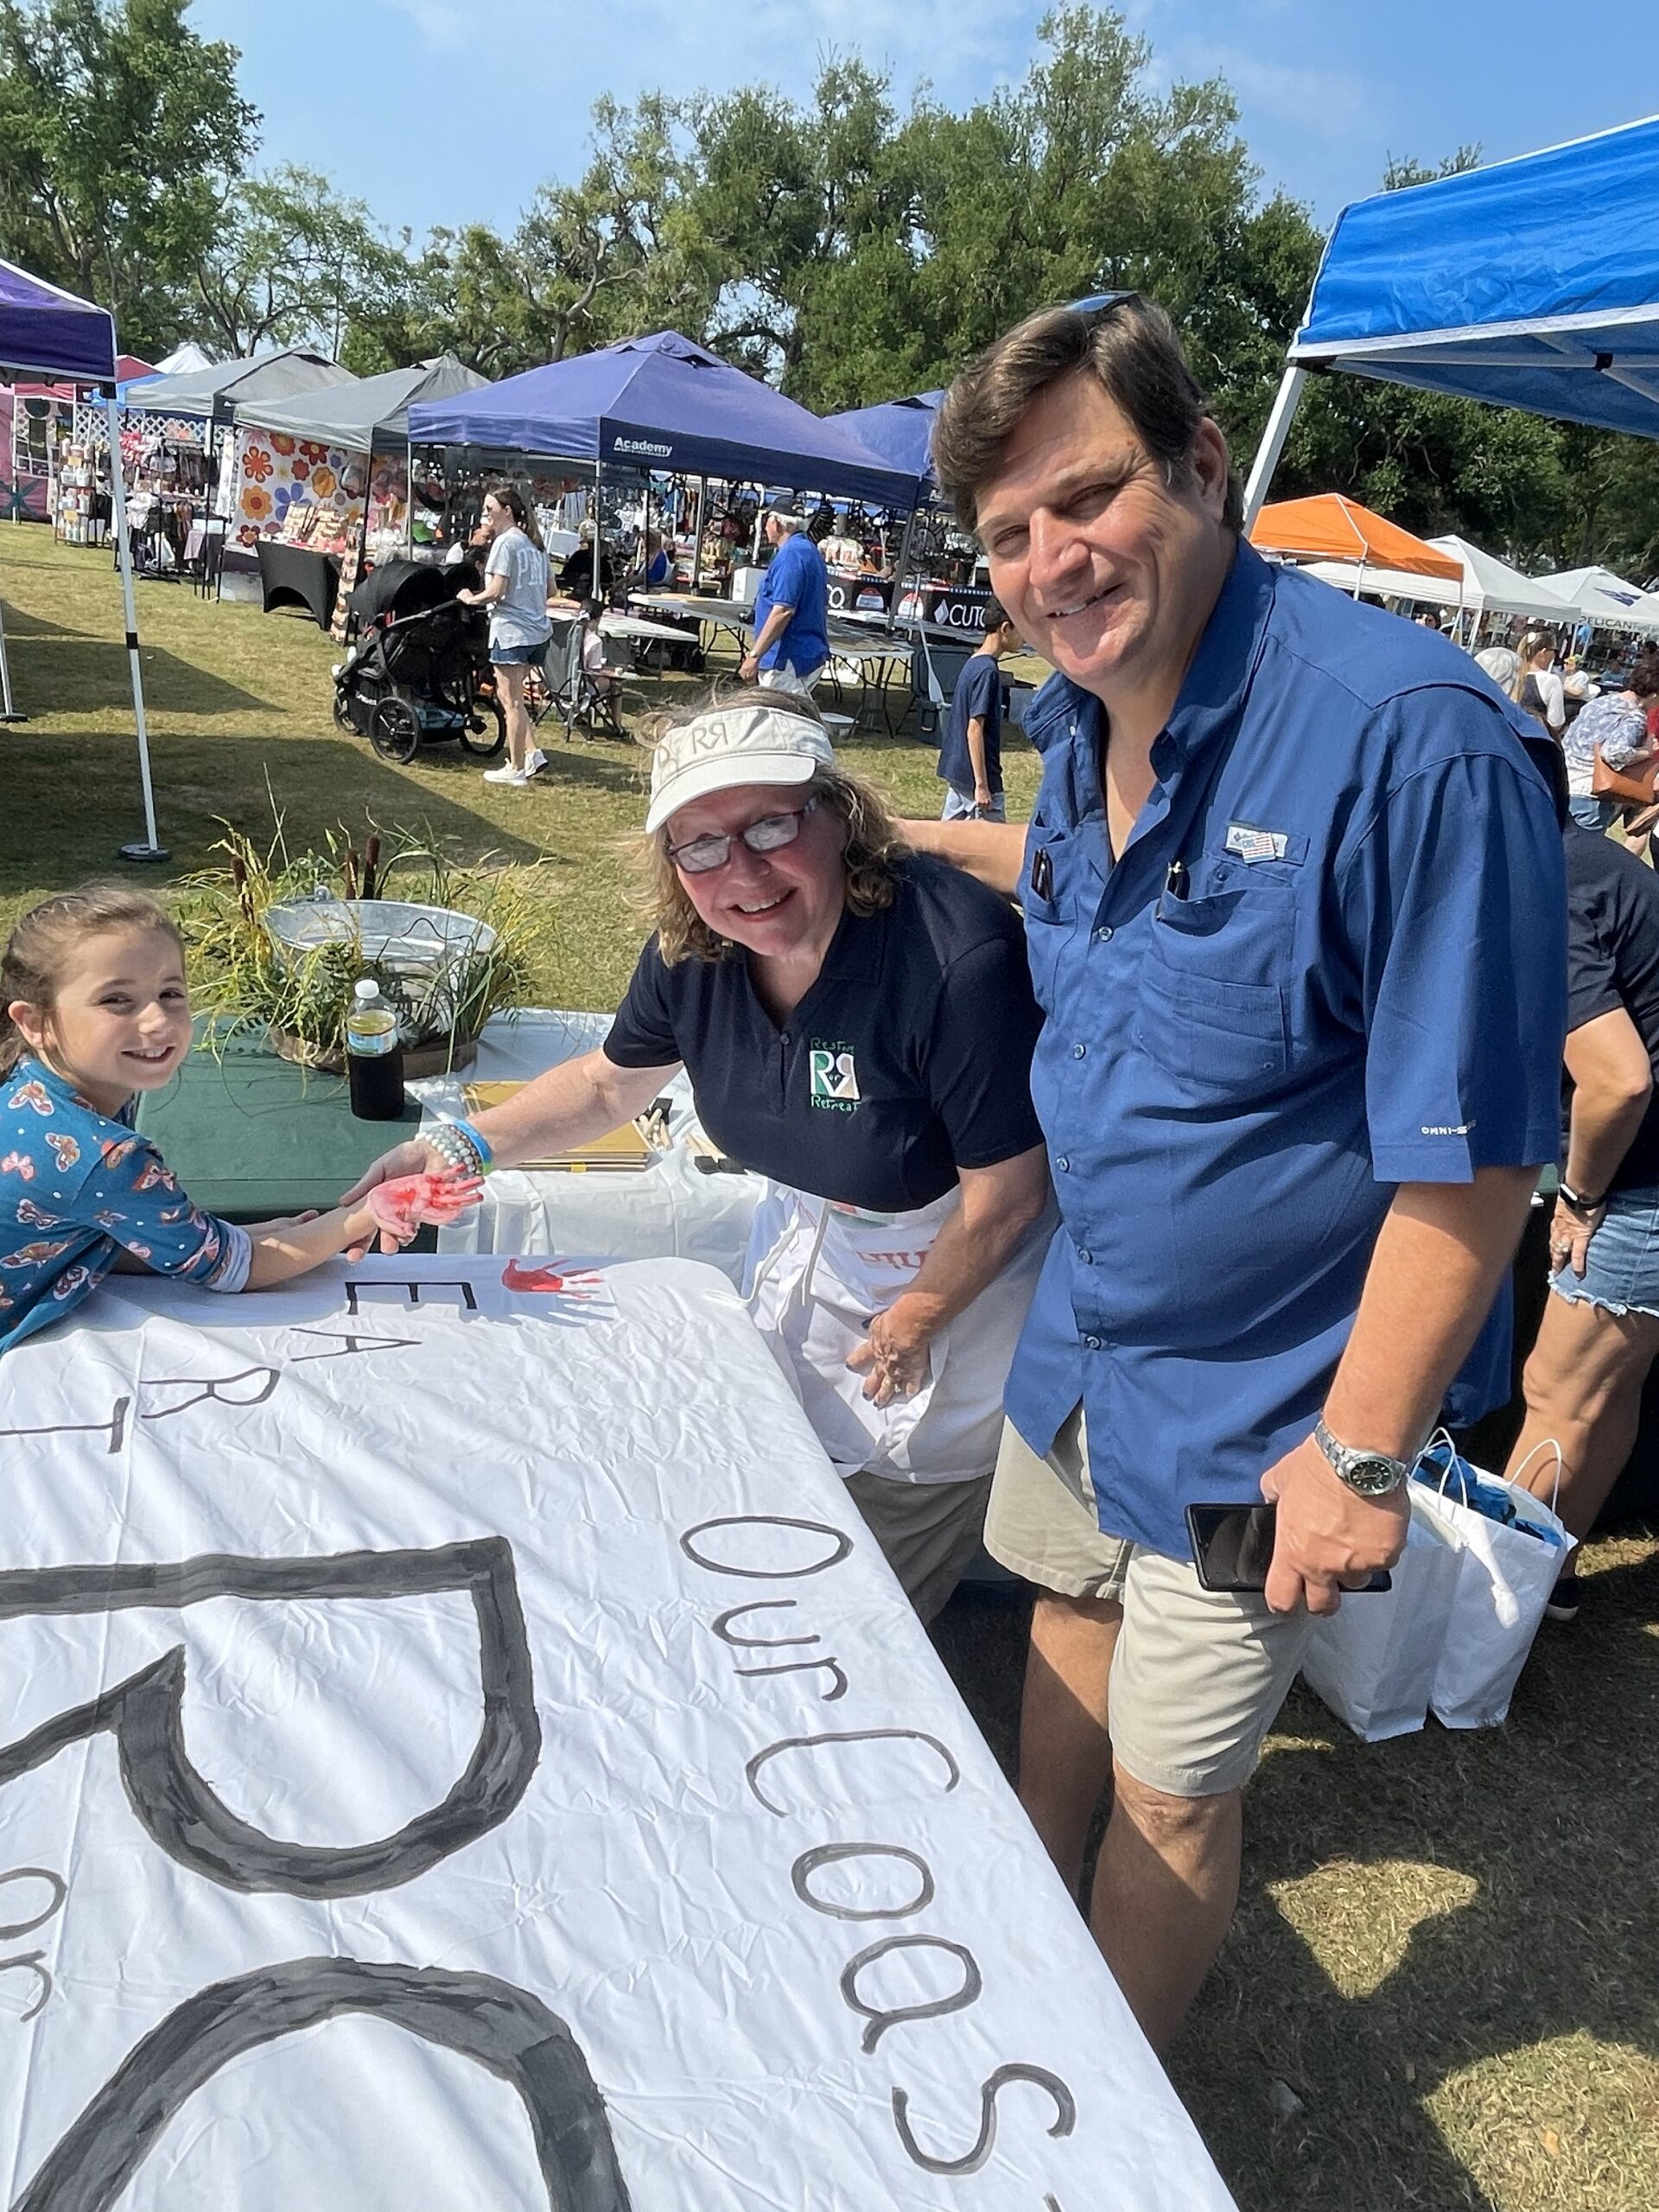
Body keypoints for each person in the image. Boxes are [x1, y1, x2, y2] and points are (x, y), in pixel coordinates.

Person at [907, 294, 1564, 2054]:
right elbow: (1074, 894)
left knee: (1183, 1785)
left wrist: (1357, 1450)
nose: (1056, 557)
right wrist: (892, 836)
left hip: (1268, 1402)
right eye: (1010, 532)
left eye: (1092, 495)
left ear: (1205, 465)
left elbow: (1482, 1155)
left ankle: (1095, 2114)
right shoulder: (1070, 724)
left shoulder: (1407, 738)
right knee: (1059, 1613)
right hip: (1086, 1344)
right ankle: (1023, 1934)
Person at [346, 695, 1054, 1623]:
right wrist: (455, 1142)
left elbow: (1006, 1197)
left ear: (838, 814)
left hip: (950, 1300)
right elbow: (607, 1086)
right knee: (746, 1535)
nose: (743, 872)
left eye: (769, 824)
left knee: (853, 1604)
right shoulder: (694, 953)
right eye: (701, 844)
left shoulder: (955, 961)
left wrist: (920, 1312)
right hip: (805, 1256)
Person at [0, 887, 467, 1356]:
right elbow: (235, 1270)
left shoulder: (36, 1087)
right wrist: (361, 1214)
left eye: (170, 993)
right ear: (35, 1023)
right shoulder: (107, 1158)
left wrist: (214, 1236)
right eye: (117, 1000)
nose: (157, 1020)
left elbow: (86, 1225)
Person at [1507, 823, 1659, 1617]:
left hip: (1637, 1185)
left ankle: (1494, 1604)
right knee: (1608, 1388)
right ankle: (1552, 1583)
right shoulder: (1583, 858)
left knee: (1557, 1392)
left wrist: (1582, 1195)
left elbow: (1619, 1080)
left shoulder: (1549, 886)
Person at [458, 485, 551, 789]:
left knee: (510, 701)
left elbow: (497, 590)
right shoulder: (535, 545)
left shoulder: (505, 544)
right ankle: (532, 752)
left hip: (512, 631)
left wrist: (470, 599)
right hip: (537, 630)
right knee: (512, 698)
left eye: (490, 508)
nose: (486, 514)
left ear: (507, 511)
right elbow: (550, 590)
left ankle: (515, 768)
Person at [936, 601, 1020, 822]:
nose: (1025, 638)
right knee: (994, 850)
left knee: (946, 845)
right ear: (1005, 629)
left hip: (958, 774)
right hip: (978, 783)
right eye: (1020, 629)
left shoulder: (973, 663)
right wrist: (982, 785)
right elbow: (974, 729)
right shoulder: (987, 672)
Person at [739, 499, 830, 695]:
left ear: (777, 523)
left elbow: (783, 610)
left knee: (780, 719)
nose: (764, 526)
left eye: (767, 520)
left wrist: (754, 656)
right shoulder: (808, 550)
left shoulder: (791, 555)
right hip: (803, 653)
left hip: (787, 657)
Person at [1559, 660, 1659, 832]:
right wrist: (1646, 751)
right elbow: (1613, 752)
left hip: (1563, 782)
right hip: (1591, 793)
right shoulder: (1634, 716)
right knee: (1580, 853)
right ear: (1653, 695)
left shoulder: (1598, 703)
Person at [1511, 630, 1567, 742]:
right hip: (1534, 741)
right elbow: (1555, 722)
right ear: (1543, 652)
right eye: (1554, 651)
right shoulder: (1551, 681)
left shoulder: (1511, 674)